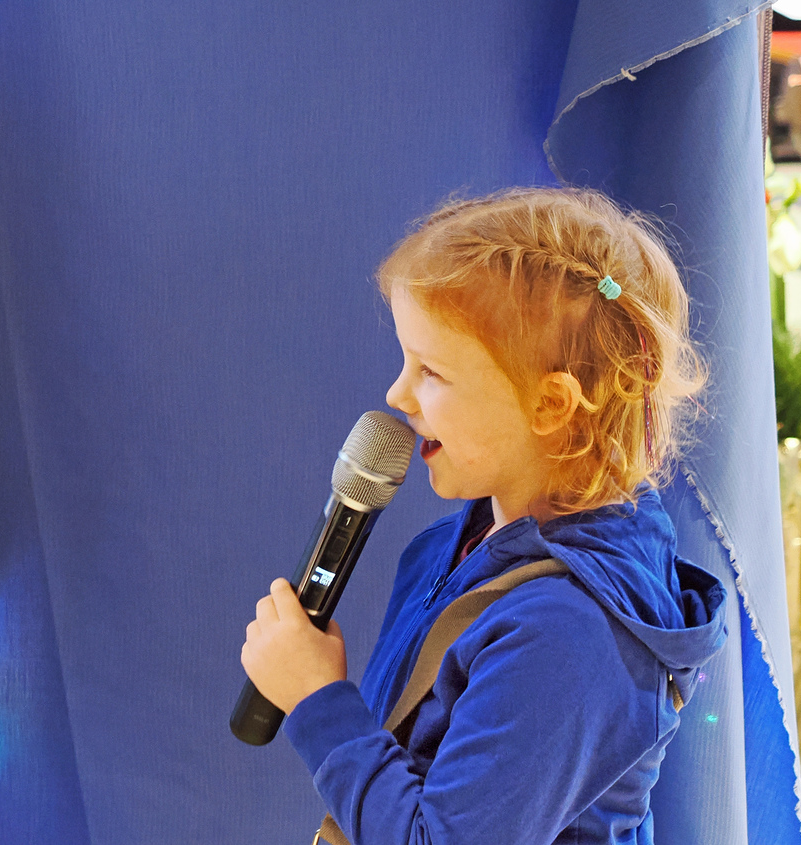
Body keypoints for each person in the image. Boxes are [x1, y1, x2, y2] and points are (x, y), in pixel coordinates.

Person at [240, 188, 728, 845]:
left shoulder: (568, 636)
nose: (397, 394)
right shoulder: (452, 547)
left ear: (550, 405)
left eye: (432, 372)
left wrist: (316, 700)